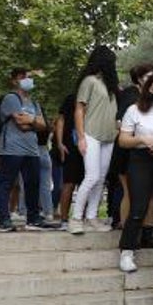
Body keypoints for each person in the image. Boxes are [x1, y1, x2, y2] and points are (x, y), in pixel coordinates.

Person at [118, 74, 153, 273]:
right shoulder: (134, 110)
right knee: (138, 206)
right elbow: (123, 140)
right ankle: (127, 250)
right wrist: (142, 139)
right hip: (140, 160)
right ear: (147, 89)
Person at [0, 68, 57, 232]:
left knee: (32, 184)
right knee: (6, 184)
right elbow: (21, 123)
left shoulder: (34, 103)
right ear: (14, 81)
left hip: (32, 150)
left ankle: (33, 219)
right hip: (11, 149)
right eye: (23, 77)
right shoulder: (11, 98)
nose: (28, 80)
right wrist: (34, 123)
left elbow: (45, 126)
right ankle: (4, 221)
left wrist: (32, 121)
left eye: (29, 77)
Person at [68, 45, 120, 234]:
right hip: (90, 135)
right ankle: (76, 218)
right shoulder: (89, 81)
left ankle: (92, 217)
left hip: (109, 137)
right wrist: (81, 137)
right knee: (91, 177)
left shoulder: (111, 86)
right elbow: (79, 109)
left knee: (100, 179)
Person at [54, 92, 84, 227]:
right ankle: (64, 219)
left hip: (90, 146)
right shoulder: (72, 97)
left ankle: (82, 217)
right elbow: (61, 119)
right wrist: (60, 143)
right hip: (71, 146)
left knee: (87, 183)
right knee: (69, 183)